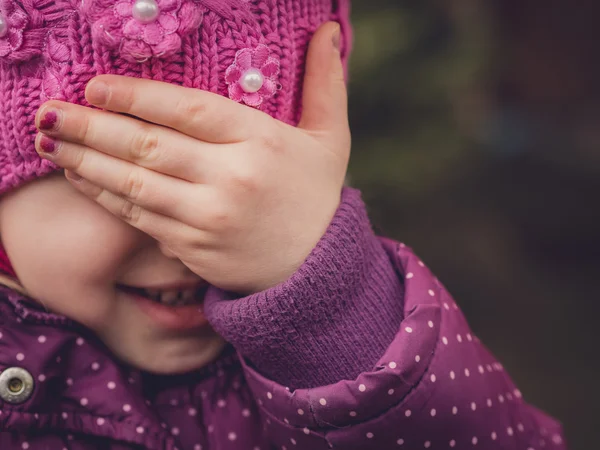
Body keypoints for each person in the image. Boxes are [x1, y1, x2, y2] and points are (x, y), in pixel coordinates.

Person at [0, 1, 567, 449]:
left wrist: (334, 314)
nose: (209, 225)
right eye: (121, 176)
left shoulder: (350, 345)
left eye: (253, 179)